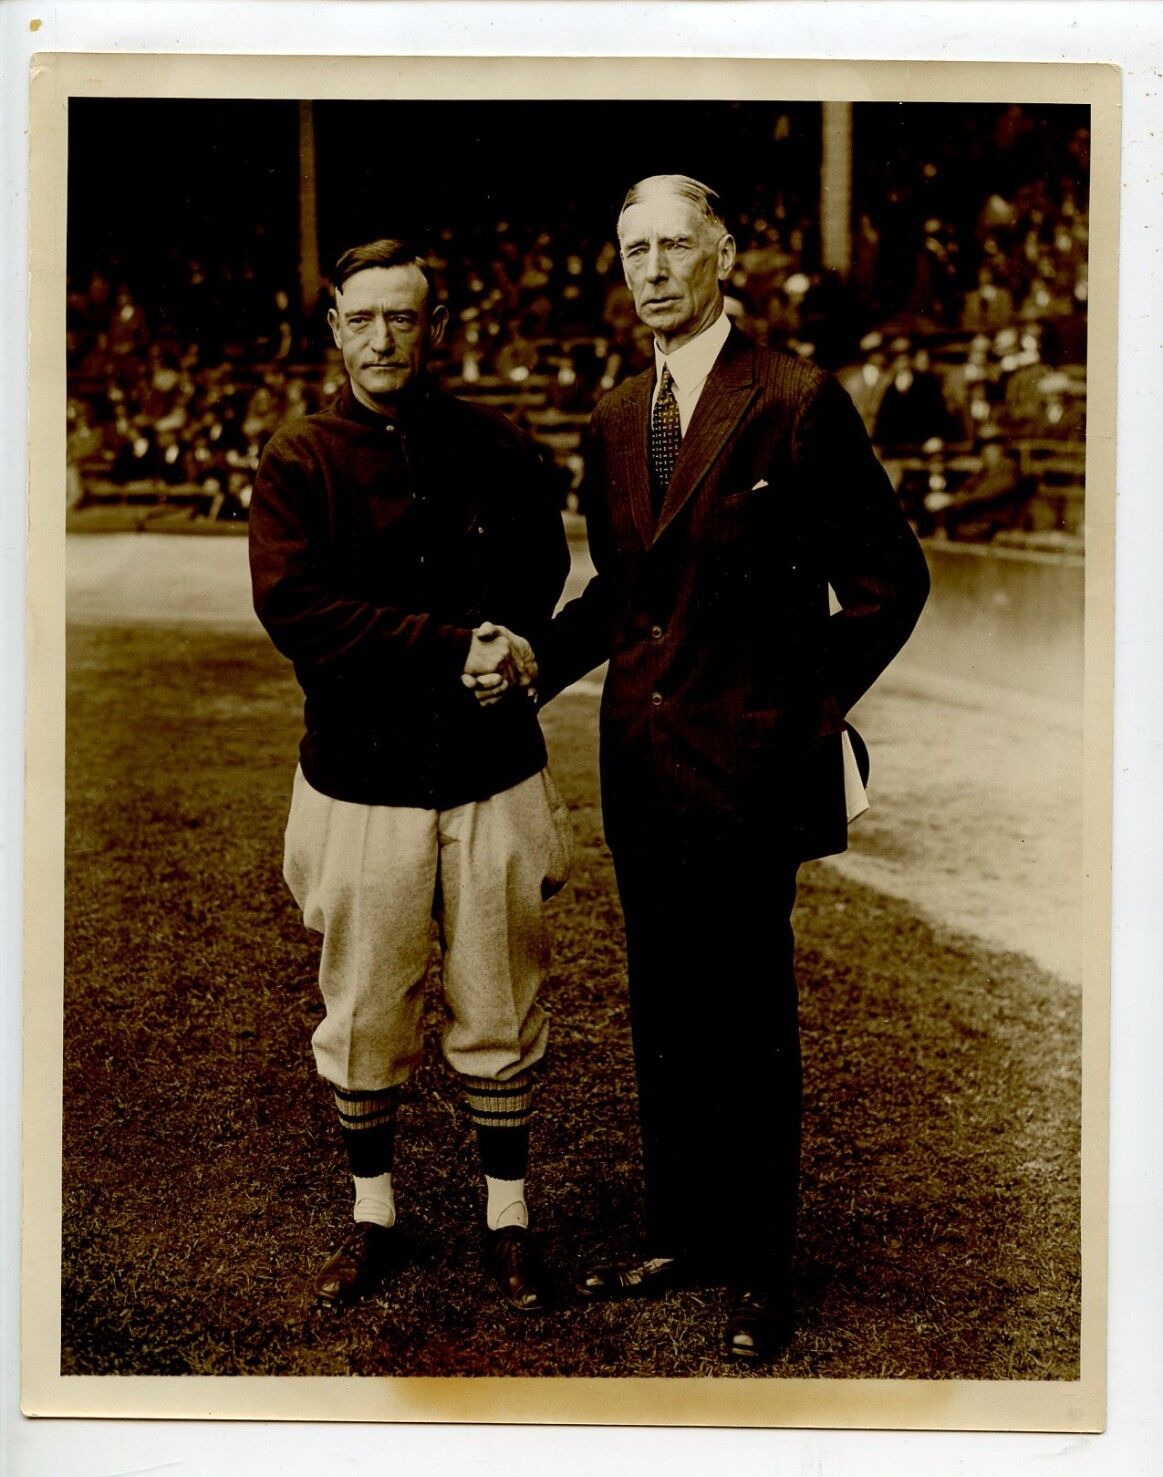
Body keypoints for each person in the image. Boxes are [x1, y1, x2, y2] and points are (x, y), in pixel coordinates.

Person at [467, 175, 930, 1362]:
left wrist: (791, 709)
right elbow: (625, 594)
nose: (655, 270)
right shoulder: (619, 414)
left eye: (677, 246)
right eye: (635, 251)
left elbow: (888, 583)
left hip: (746, 771)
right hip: (642, 766)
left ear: (725, 252)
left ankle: (760, 1267)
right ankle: (685, 1233)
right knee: (666, 1014)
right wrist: (536, 656)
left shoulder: (793, 400)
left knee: (746, 1017)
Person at [248, 239, 572, 1317]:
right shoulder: (299, 457)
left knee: (499, 996)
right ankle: (373, 1211)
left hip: (488, 772)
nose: (385, 339)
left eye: (405, 318)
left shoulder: (494, 444)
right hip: (360, 779)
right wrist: (449, 649)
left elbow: (540, 566)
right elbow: (298, 610)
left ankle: (510, 1222)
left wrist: (511, 641)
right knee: (365, 1005)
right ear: (334, 328)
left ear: (431, 326)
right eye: (364, 319)